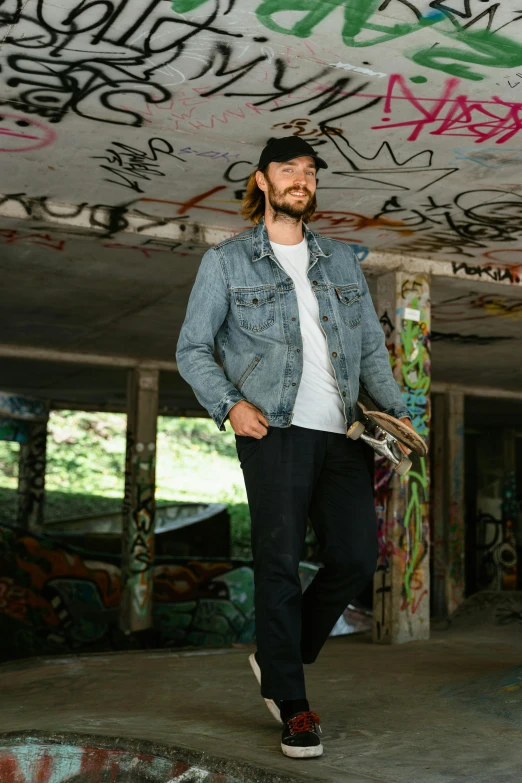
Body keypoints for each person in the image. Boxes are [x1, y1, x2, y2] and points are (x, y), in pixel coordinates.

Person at [176, 136, 415, 759]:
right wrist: (230, 405)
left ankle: (277, 655)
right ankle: (294, 705)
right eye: (289, 170)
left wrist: (399, 413)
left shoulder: (340, 260)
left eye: (309, 172)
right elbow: (192, 349)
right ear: (262, 182)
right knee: (279, 566)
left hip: (342, 433)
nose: (301, 180)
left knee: (358, 558)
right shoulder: (227, 263)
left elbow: (367, 351)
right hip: (273, 431)